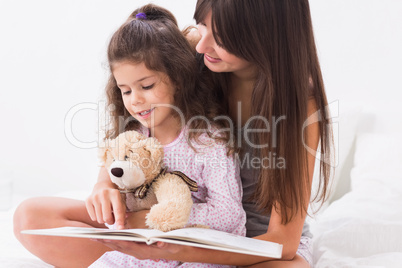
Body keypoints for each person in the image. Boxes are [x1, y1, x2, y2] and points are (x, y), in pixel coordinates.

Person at [91, 0, 333, 267]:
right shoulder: (197, 52)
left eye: (220, 38)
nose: (200, 45)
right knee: (38, 216)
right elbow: (135, 121)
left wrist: (175, 251)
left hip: (256, 245)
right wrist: (104, 183)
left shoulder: (300, 101)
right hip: (178, 229)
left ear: (264, 36)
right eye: (202, 25)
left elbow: (283, 244)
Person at [13, 4, 246, 268]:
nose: (135, 101)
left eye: (146, 86)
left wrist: (152, 217)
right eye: (125, 90)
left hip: (188, 253)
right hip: (138, 243)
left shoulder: (206, 140)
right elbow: (112, 173)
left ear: (178, 79)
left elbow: (229, 214)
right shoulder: (134, 135)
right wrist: (103, 190)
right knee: (28, 216)